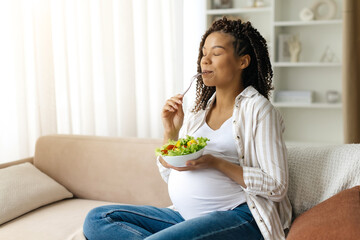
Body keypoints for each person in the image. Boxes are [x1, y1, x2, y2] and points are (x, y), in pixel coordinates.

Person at [83, 17, 292, 240]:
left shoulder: (259, 110)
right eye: (203, 53)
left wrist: (217, 162)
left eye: (216, 53)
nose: (205, 60)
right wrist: (170, 133)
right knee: (98, 219)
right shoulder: (197, 113)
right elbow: (170, 173)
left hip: (241, 217)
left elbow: (277, 186)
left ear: (243, 62)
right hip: (186, 217)